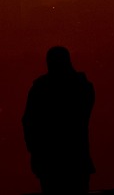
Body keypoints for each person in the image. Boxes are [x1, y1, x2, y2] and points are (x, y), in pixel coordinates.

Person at [22, 46, 95, 195]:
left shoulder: (40, 88)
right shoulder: (81, 86)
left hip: (49, 162)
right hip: (76, 159)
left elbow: (28, 122)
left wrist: (35, 151)